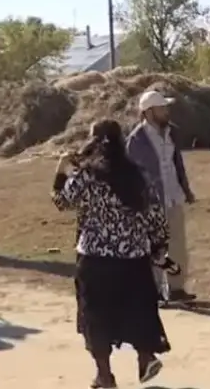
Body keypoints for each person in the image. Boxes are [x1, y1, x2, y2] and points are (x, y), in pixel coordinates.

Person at [51, 119, 170, 387]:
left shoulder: (87, 175)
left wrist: (61, 171)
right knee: (138, 308)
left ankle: (104, 374)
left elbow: (61, 202)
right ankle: (145, 356)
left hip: (95, 258)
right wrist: (158, 245)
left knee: (96, 316)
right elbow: (155, 215)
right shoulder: (139, 174)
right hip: (134, 257)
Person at [126, 91, 198, 303]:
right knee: (154, 248)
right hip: (151, 202)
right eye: (162, 108)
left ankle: (176, 289)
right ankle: (154, 290)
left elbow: (177, 163)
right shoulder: (136, 140)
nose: (167, 111)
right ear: (149, 112)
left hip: (173, 196)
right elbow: (132, 174)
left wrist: (186, 189)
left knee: (178, 245)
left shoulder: (171, 132)